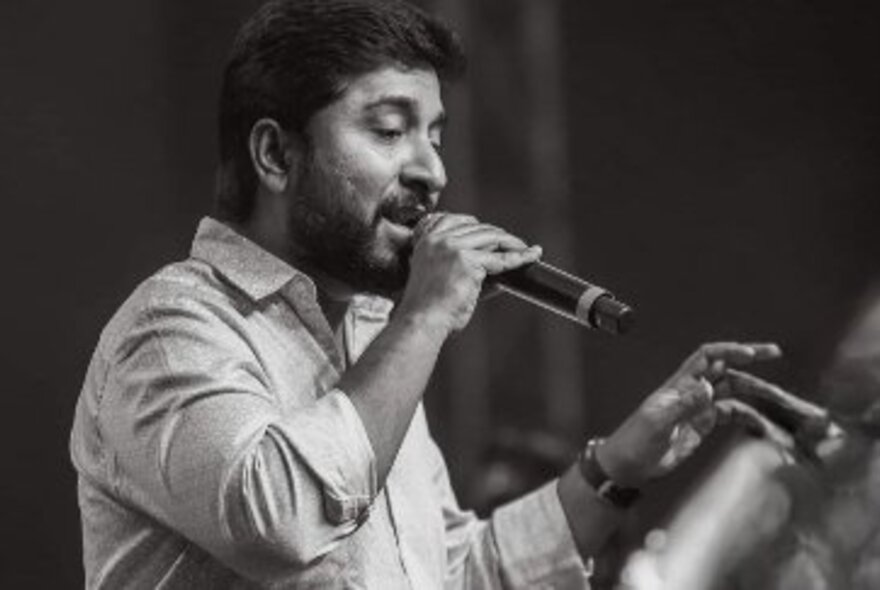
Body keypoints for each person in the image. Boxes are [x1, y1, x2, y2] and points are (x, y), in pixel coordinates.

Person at [69, 0, 791, 587]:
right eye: (389, 129)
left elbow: (452, 571)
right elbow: (277, 518)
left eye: (435, 135)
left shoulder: (366, 335)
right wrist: (427, 314)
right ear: (275, 154)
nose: (432, 171)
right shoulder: (174, 329)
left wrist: (611, 472)